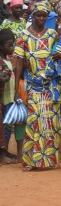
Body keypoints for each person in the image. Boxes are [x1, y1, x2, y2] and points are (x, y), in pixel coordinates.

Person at [14, 1, 61, 171]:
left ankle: (49, 159)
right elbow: (19, 63)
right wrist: (17, 89)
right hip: (33, 85)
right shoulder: (23, 35)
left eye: (44, 15)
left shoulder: (52, 34)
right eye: (38, 15)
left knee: (50, 121)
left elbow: (59, 56)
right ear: (32, 15)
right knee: (33, 122)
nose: (41, 18)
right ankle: (30, 160)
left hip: (50, 86)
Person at [0, 34, 16, 163]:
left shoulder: (7, 60)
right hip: (4, 97)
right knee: (4, 125)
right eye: (9, 45)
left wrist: (5, 75)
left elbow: (6, 76)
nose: (12, 48)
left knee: (6, 125)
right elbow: (3, 77)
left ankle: (4, 151)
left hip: (7, 95)